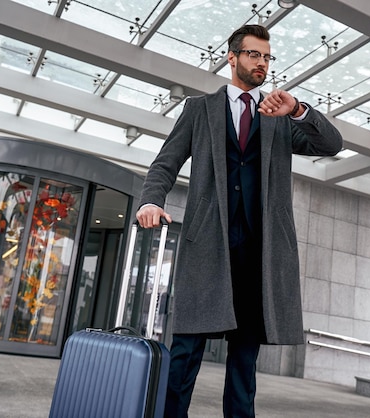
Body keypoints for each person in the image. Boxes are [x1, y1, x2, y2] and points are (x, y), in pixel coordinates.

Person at [136, 24, 343, 418]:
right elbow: (165, 163)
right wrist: (151, 201)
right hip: (207, 245)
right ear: (232, 58)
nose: (261, 63)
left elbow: (331, 145)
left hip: (259, 251)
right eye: (253, 54)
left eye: (266, 57)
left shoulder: (278, 113)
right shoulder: (199, 109)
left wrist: (297, 109)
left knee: (244, 364)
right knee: (184, 355)